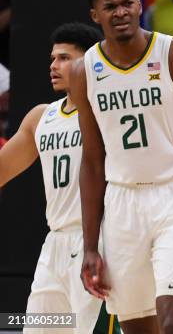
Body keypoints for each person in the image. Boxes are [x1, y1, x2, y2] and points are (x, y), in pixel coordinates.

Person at [72, 0, 173, 334]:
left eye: (127, 3)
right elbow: (93, 162)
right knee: (138, 328)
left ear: (140, 3)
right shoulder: (85, 71)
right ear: (95, 13)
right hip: (122, 204)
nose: (121, 12)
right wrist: (90, 245)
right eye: (110, 7)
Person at [0, 23, 120, 334]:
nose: (54, 65)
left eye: (65, 58)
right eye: (53, 58)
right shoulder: (42, 116)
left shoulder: (108, 112)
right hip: (54, 244)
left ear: (90, 62)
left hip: (99, 242)